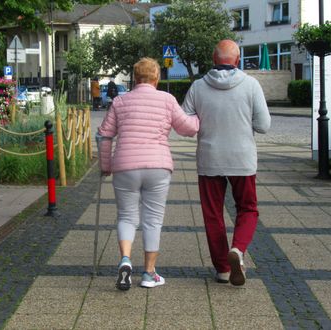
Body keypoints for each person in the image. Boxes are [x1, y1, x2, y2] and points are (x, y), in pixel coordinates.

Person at [97, 57, 199, 290]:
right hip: (157, 166)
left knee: (126, 216)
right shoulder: (167, 100)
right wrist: (201, 117)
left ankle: (125, 259)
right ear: (156, 78)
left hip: (125, 166)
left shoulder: (120, 102)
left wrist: (105, 166)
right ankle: (149, 273)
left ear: (135, 78)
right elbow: (187, 128)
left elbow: (105, 136)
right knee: (153, 219)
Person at [182, 40, 271, 286]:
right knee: (248, 209)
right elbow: (264, 126)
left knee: (213, 214)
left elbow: (186, 123)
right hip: (242, 159)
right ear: (238, 60)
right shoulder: (251, 85)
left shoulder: (198, 87)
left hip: (210, 158)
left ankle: (222, 269)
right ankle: (239, 250)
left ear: (213, 58)